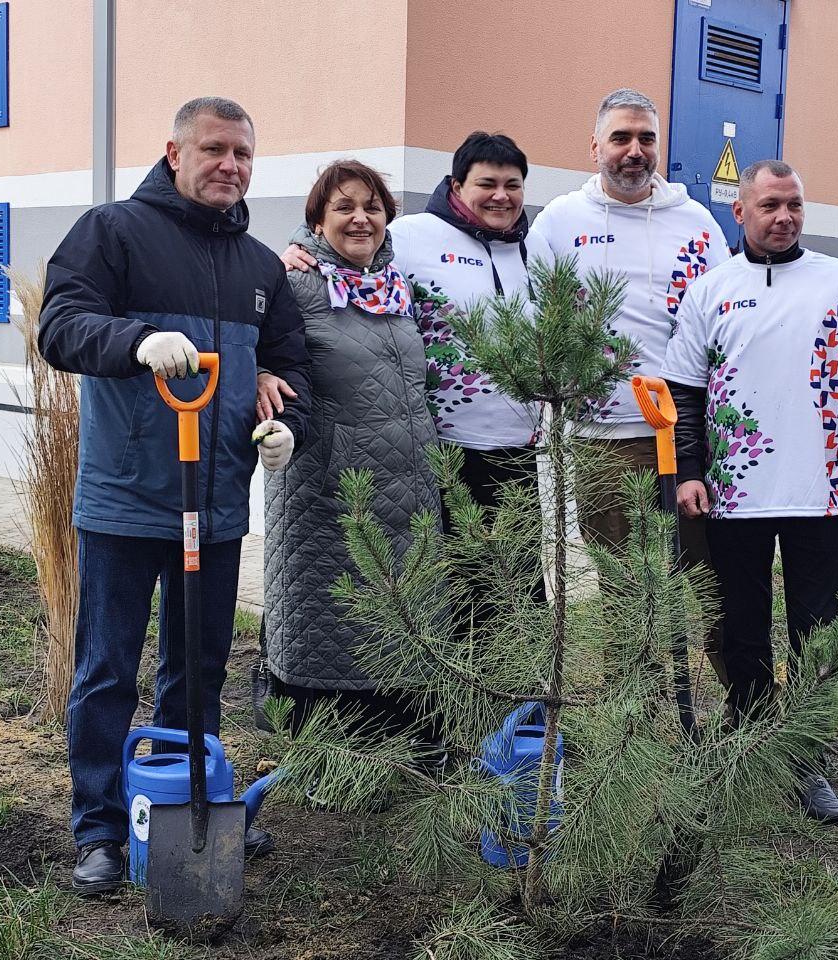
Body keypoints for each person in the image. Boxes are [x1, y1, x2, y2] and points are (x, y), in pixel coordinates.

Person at [38, 96, 310, 894]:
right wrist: (132, 341)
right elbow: (61, 325)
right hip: (125, 500)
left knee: (198, 667)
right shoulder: (113, 231)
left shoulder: (261, 266)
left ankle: (190, 799)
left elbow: (290, 365)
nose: (230, 166)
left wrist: (279, 409)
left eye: (244, 155)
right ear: (174, 152)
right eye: (215, 149)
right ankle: (99, 829)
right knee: (106, 669)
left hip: (217, 503)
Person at [662, 159, 838, 822]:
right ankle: (749, 735)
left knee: (816, 627)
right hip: (734, 492)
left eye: (793, 204)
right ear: (740, 213)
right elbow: (684, 391)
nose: (783, 217)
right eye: (769, 206)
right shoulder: (711, 291)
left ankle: (805, 754)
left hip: (822, 489)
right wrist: (690, 470)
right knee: (741, 625)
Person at [530, 87, 733, 680]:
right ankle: (633, 726)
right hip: (605, 440)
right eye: (620, 137)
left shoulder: (695, 222)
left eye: (646, 138)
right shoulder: (560, 223)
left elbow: (727, 316)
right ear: (595, 145)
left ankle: (744, 708)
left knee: (710, 580)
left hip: (694, 442)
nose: (635, 150)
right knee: (625, 587)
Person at [266, 132, 553, 532]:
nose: (500, 196)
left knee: (518, 581)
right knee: (450, 578)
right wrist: (296, 251)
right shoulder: (415, 235)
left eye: (512, 186)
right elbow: (348, 238)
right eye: (486, 184)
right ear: (456, 186)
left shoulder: (536, 247)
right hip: (442, 447)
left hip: (521, 448)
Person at [260, 160, 440, 736]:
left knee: (400, 610)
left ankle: (399, 740)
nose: (361, 219)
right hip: (330, 485)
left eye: (373, 207)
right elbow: (259, 353)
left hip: (410, 482)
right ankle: (326, 745)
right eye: (344, 207)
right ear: (317, 219)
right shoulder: (293, 283)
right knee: (328, 612)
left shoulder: (396, 285)